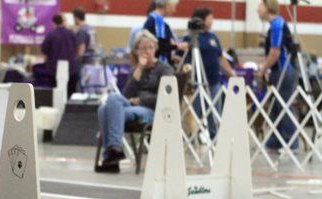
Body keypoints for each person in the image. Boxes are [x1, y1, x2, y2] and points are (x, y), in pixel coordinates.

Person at [97, 30, 173, 168]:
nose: (147, 51)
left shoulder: (164, 69)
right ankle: (114, 152)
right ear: (136, 51)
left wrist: (141, 100)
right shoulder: (135, 70)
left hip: (152, 110)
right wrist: (139, 69)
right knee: (105, 106)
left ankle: (111, 155)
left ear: (155, 49)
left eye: (150, 47)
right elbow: (126, 96)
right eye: (143, 48)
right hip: (133, 107)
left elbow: (167, 98)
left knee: (107, 109)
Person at [182, 8, 236, 139]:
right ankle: (194, 135)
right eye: (210, 18)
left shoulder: (213, 37)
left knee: (214, 110)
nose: (212, 21)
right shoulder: (189, 37)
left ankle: (214, 134)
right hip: (196, 82)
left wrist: (231, 73)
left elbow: (220, 57)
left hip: (213, 81)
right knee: (196, 110)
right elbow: (183, 58)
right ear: (202, 20)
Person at [257, 0, 298, 150]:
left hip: (284, 71)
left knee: (284, 106)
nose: (257, 10)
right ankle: (275, 140)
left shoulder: (277, 25)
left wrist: (263, 69)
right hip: (276, 71)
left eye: (260, 7)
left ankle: (291, 142)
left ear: (268, 8)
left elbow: (275, 52)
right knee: (275, 107)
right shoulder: (273, 26)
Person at [41, 15, 79, 96]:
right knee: (71, 94)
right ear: (63, 22)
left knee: (56, 96)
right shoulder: (71, 33)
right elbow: (76, 48)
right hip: (71, 68)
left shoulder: (51, 35)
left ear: (54, 23)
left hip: (55, 70)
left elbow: (44, 51)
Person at [143, 0, 188, 65]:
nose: (174, 10)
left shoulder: (154, 20)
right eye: (173, 7)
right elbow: (161, 43)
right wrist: (178, 46)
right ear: (167, 5)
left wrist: (170, 57)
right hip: (157, 65)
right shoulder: (157, 20)